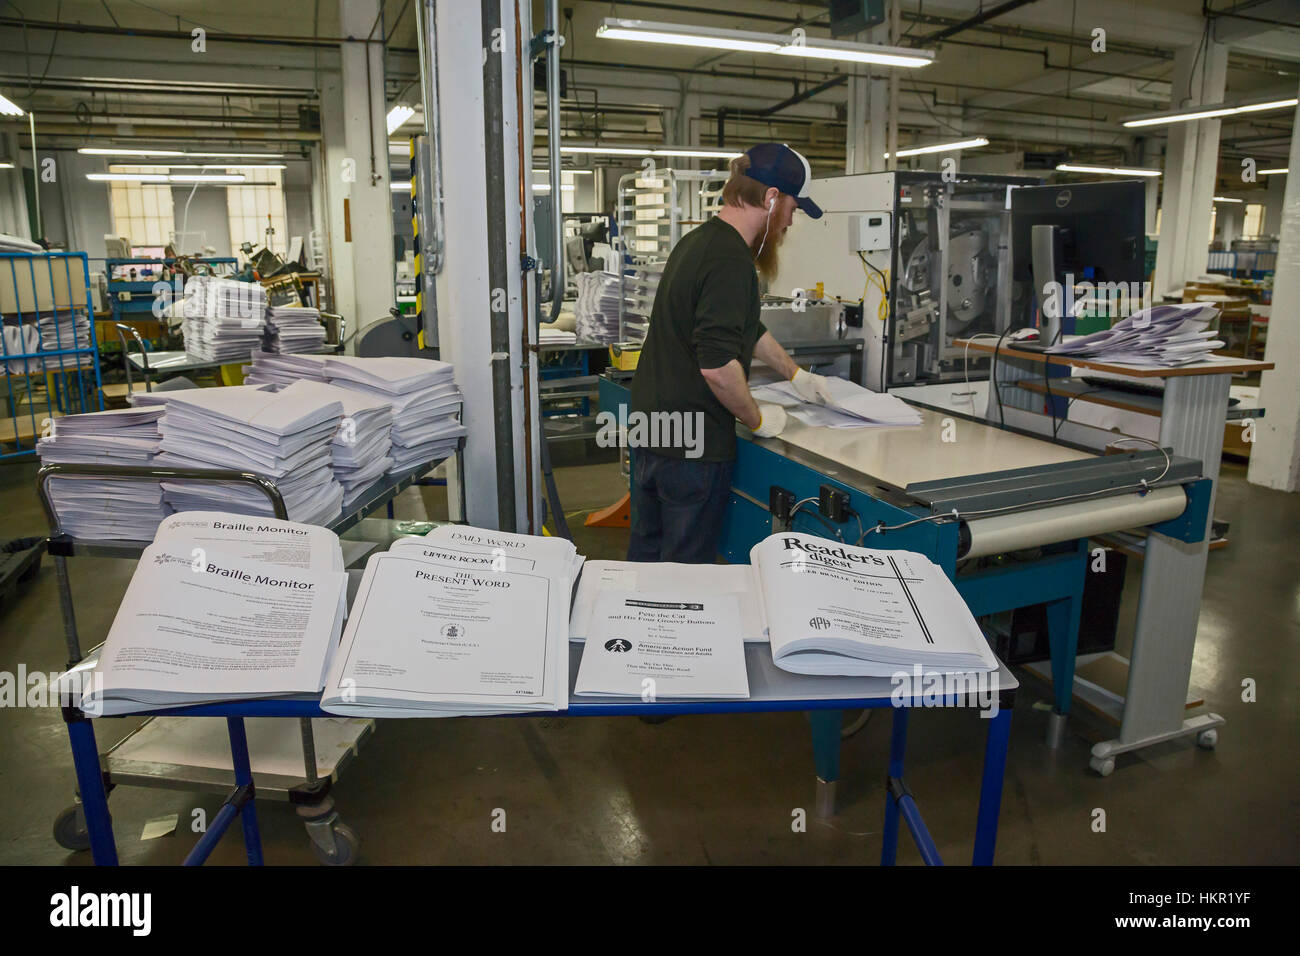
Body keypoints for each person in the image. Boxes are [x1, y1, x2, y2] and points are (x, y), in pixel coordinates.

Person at [626, 142, 836, 564]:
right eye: (793, 209)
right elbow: (718, 367)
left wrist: (795, 375)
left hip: (652, 429)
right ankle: (673, 631)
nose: (790, 223)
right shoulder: (730, 261)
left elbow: (746, 327)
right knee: (684, 572)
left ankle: (634, 630)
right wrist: (757, 418)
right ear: (772, 197)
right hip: (692, 446)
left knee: (647, 556)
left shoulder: (700, 242)